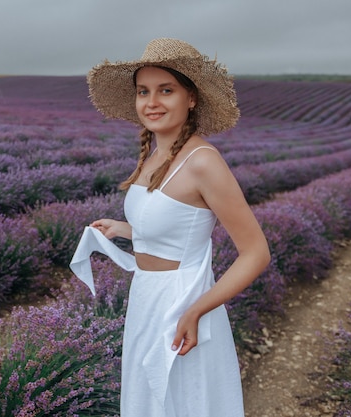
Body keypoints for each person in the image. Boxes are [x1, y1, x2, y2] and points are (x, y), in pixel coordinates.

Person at [72, 38, 271, 416]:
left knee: (182, 401)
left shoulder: (203, 162)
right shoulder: (154, 153)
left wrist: (196, 311)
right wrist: (125, 228)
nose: (152, 102)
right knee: (149, 400)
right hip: (146, 296)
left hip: (182, 302)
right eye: (143, 91)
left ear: (191, 98)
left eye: (166, 90)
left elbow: (257, 252)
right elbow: (175, 224)